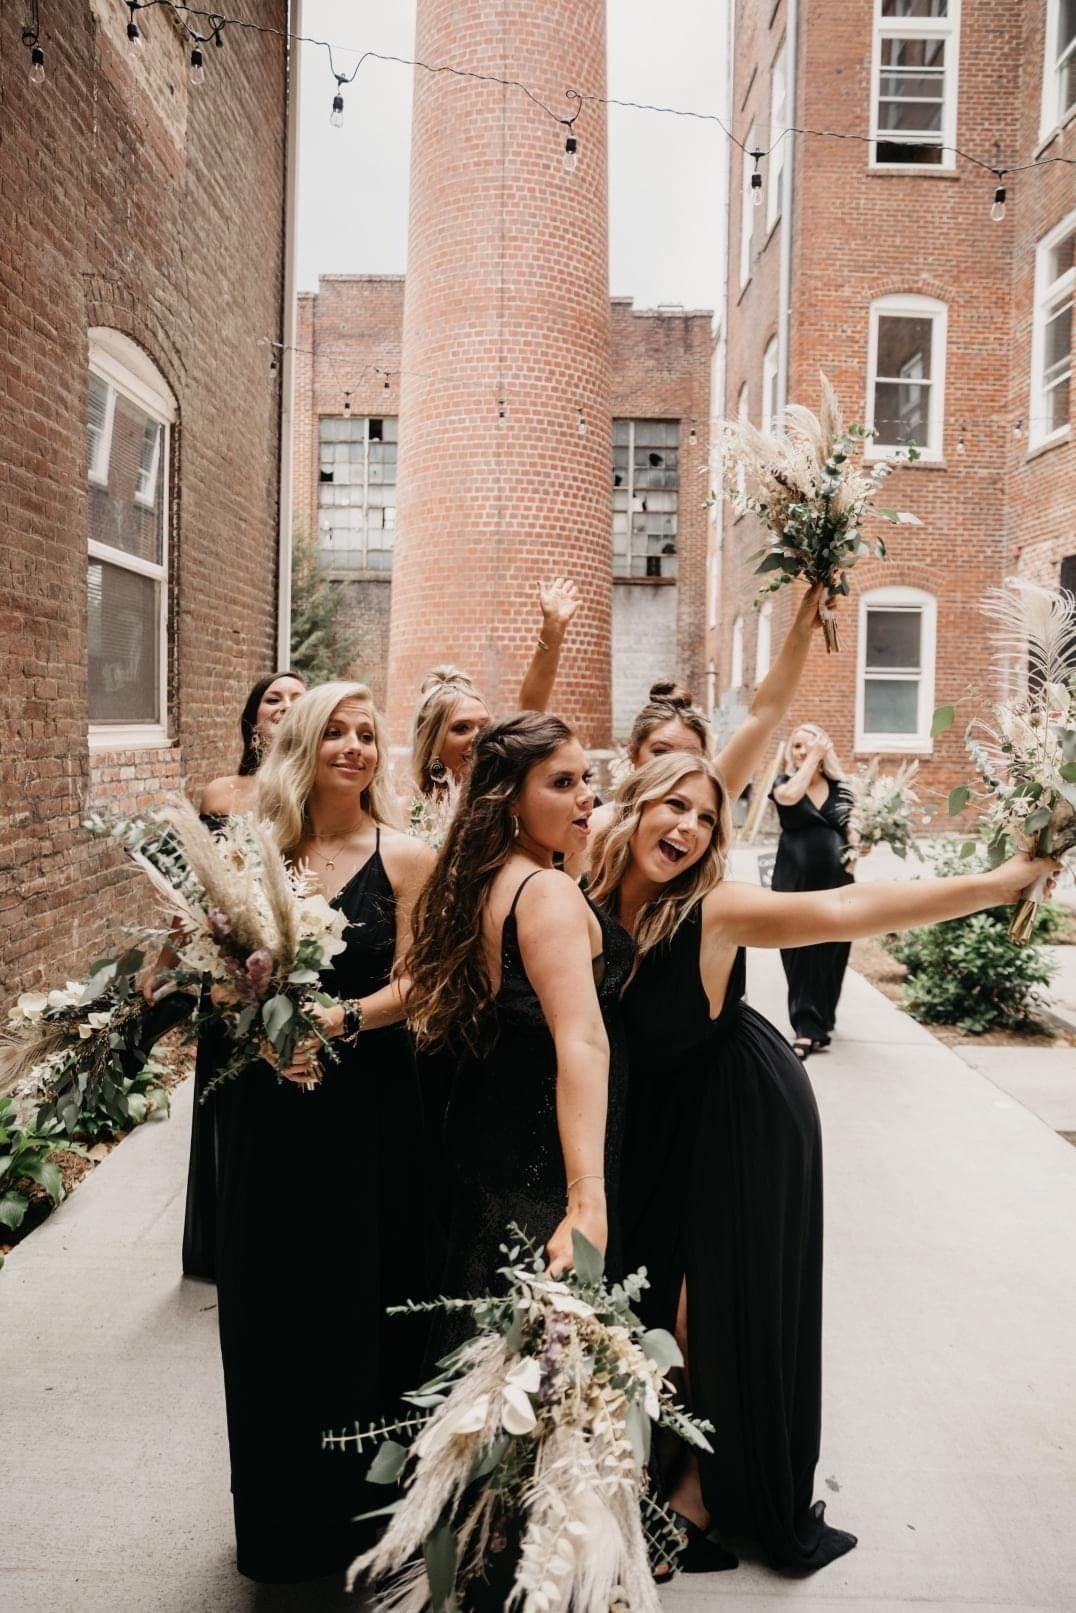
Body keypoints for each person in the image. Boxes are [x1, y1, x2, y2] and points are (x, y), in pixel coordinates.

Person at [588, 751, 1058, 1575]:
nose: (689, 828)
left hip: (738, 1117)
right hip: (648, 1126)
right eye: (674, 806)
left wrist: (997, 881)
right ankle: (645, 1464)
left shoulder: (715, 908)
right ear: (631, 806)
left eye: (706, 817)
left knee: (704, 1312)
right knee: (646, 1300)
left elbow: (849, 906)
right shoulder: (584, 903)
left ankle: (698, 1494)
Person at [210, 681, 434, 1583]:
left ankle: (362, 1526)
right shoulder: (251, 850)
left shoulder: (408, 857)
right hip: (274, 1116)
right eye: (335, 732)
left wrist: (338, 1023)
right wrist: (267, 1042)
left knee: (363, 1307)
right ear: (302, 743)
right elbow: (223, 975)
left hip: (374, 1114)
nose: (353, 746)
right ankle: (277, 1521)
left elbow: (421, 984)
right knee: (272, 1311)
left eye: (367, 733)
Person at [405, 713, 633, 1304]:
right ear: (509, 801)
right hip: (545, 1153)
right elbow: (581, 1040)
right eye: (561, 783)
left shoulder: (483, 877)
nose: (586, 796)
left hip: (487, 1130)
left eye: (585, 778)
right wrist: (586, 1200)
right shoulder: (545, 892)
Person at [141, 670, 308, 1280]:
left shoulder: (320, 792)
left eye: (297, 699)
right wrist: (159, 963)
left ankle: (280, 1239)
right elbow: (189, 890)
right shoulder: (222, 793)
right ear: (253, 719)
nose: (284, 707)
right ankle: (228, 1245)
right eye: (273, 699)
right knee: (228, 1105)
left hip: (291, 972)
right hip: (226, 977)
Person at [572, 583, 829, 875]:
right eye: (660, 752)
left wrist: (803, 628)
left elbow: (764, 714)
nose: (676, 767)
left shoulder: (707, 800)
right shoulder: (594, 826)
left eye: (690, 756)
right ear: (633, 752)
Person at [409, 577, 582, 800]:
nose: (478, 736)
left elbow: (529, 710)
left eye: (485, 725)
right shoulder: (403, 811)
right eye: (461, 728)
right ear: (432, 741)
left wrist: (552, 630)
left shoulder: (501, 790)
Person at [771, 723, 858, 1060]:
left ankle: (822, 1019)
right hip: (795, 885)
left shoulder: (840, 787)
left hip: (839, 884)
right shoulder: (784, 784)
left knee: (833, 954)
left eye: (809, 745)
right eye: (796, 746)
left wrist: (859, 844)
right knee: (801, 951)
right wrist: (813, 759)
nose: (802, 751)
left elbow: (851, 828)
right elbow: (791, 797)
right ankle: (806, 1028)